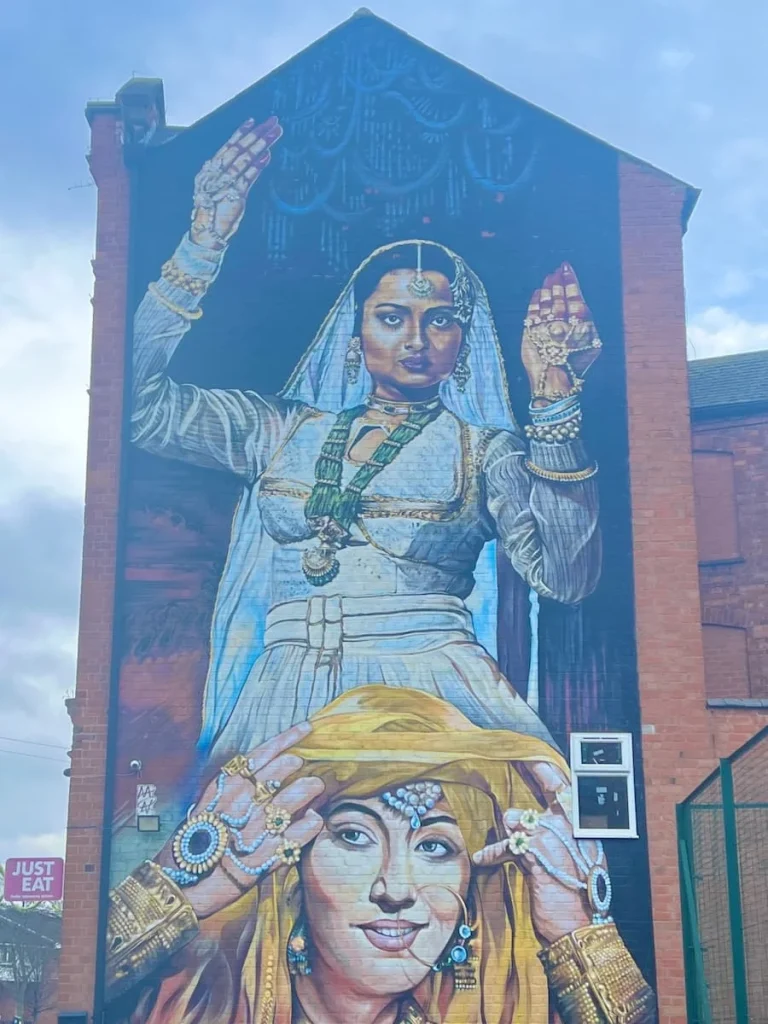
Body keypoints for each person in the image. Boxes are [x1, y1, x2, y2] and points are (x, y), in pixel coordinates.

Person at [131, 116, 602, 758]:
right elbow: (138, 407)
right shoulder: (280, 428)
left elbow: (567, 579)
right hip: (285, 690)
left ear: (462, 345)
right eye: (391, 318)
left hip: (433, 689)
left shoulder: (484, 451)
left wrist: (553, 403)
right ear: (355, 337)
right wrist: (201, 246)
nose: (415, 340)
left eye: (438, 322)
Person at [105, 687, 654, 1023]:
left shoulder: (503, 1009)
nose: (395, 889)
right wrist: (170, 896)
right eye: (353, 837)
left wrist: (576, 930)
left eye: (436, 846)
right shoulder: (191, 1006)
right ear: (293, 867)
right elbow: (50, 992)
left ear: (470, 884)